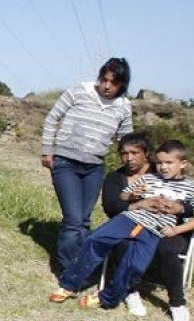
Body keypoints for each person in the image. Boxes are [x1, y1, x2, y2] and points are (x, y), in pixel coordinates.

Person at [50, 141, 194, 315]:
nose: (163, 167)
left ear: (183, 164)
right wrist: (134, 195)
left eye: (169, 163)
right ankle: (69, 285)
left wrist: (176, 229)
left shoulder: (192, 188)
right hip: (129, 219)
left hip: (155, 229)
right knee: (95, 239)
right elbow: (124, 195)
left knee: (135, 266)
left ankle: (107, 297)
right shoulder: (149, 178)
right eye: (160, 163)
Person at [40, 57, 134, 274]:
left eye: (113, 82)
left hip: (94, 167)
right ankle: (67, 271)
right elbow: (52, 118)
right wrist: (47, 150)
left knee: (83, 221)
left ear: (122, 85)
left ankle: (80, 264)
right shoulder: (78, 92)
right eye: (104, 79)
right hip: (66, 162)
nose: (107, 85)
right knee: (73, 219)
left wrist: (135, 166)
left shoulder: (124, 106)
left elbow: (126, 140)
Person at [100, 134, 194, 321]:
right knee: (123, 241)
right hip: (133, 224)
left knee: (167, 248)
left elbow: (191, 203)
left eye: (135, 152)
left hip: (168, 227)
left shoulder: (163, 168)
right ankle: (130, 291)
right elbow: (111, 207)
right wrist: (137, 202)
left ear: (146, 154)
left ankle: (177, 304)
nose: (129, 158)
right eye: (124, 153)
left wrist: (179, 208)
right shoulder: (116, 178)